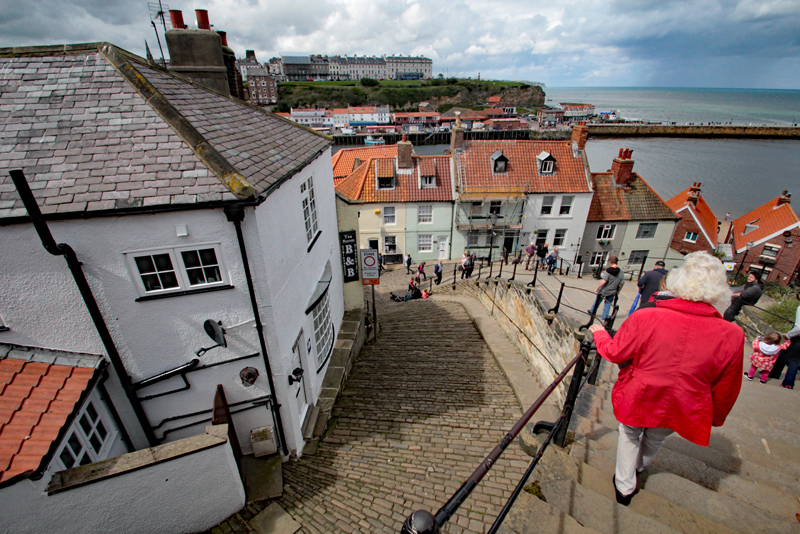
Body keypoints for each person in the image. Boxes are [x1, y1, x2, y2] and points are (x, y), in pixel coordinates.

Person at [588, 251, 743, 506]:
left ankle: (624, 485)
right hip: (685, 401)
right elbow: (727, 386)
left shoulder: (646, 316)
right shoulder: (731, 334)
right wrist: (716, 417)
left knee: (629, 434)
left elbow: (616, 353)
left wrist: (601, 335)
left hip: (641, 392)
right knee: (656, 437)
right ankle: (637, 469)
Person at [769, 292, 800, 389]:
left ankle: (774, 374)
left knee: (783, 355)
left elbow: (799, 327)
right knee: (795, 360)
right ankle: (788, 383)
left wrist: (788, 335)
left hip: (797, 339)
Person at [588, 256, 625, 320]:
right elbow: (621, 283)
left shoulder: (608, 271)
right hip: (612, 291)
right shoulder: (621, 272)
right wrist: (618, 291)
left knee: (597, 301)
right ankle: (605, 317)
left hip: (604, 290)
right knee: (608, 304)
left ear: (610, 262)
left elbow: (604, 281)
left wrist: (598, 287)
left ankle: (592, 311)